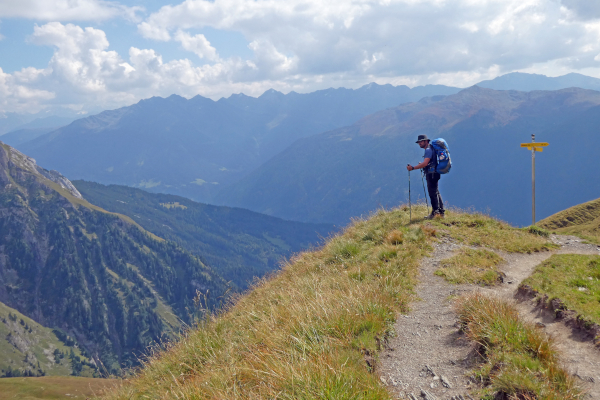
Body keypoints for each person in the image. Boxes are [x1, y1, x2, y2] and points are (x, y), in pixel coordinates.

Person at [406, 134, 444, 219]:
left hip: (431, 174)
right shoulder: (431, 148)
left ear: (426, 141)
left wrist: (412, 168)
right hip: (435, 173)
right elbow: (428, 163)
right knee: (436, 192)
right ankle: (441, 212)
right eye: (418, 142)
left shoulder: (428, 150)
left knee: (432, 193)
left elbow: (425, 163)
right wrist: (423, 165)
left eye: (421, 141)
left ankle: (435, 213)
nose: (419, 143)